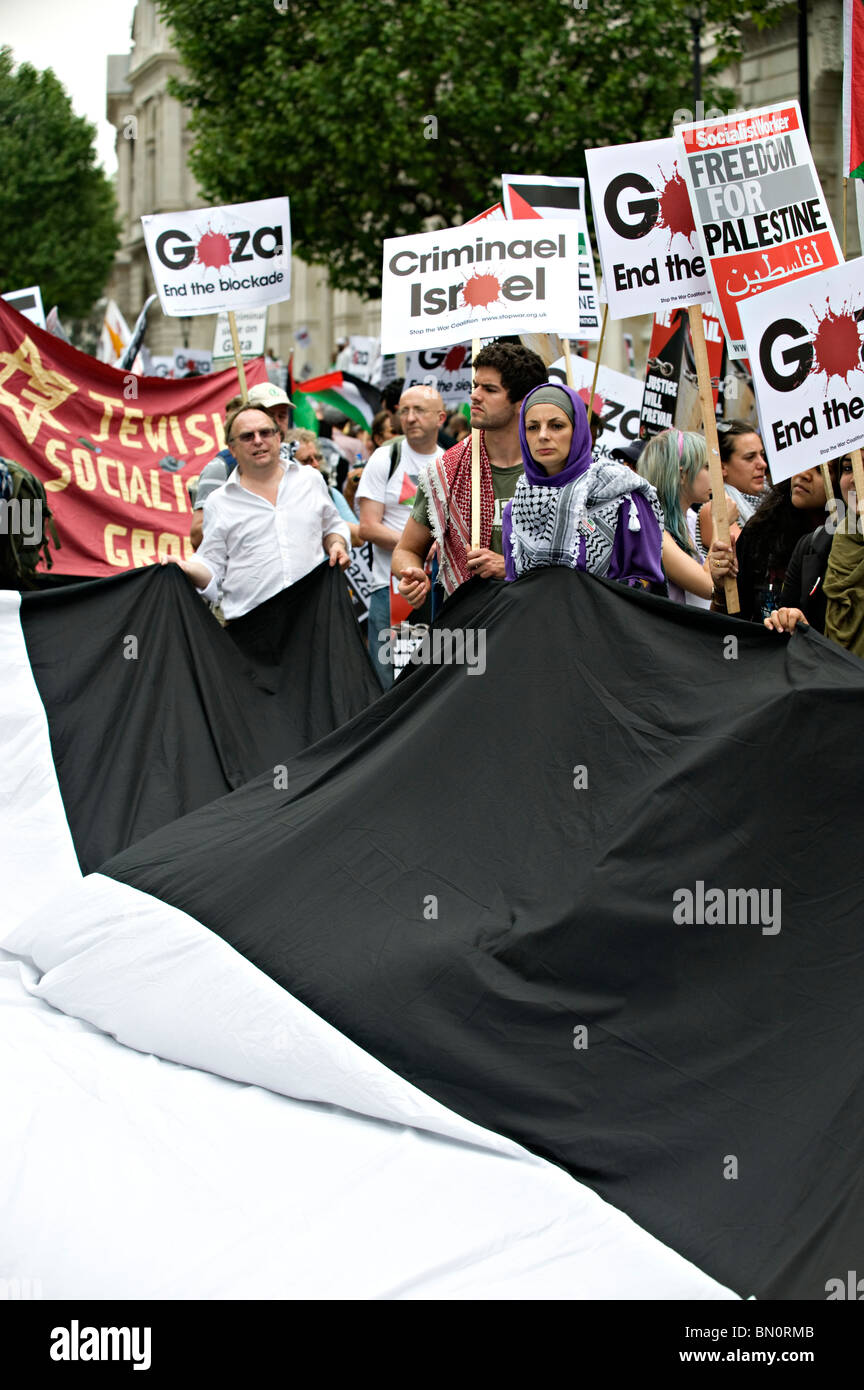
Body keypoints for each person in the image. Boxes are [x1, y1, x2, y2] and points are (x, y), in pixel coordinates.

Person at [392, 341, 547, 608]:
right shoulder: (445, 471)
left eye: (489, 389)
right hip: (470, 629)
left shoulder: (557, 470)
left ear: (523, 403)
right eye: (475, 386)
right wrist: (411, 574)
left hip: (540, 623)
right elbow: (406, 550)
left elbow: (581, 560)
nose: (475, 395)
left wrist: (511, 565)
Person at [166, 405, 350, 620]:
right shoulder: (219, 501)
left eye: (265, 433)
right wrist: (185, 569)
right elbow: (211, 565)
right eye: (247, 436)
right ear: (232, 449)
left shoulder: (310, 479)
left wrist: (337, 544)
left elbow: (332, 526)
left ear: (278, 438)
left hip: (315, 618)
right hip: (253, 630)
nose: (258, 441)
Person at [501, 383, 668, 593]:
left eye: (556, 426)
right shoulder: (516, 509)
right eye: (532, 427)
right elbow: (514, 583)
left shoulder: (622, 496)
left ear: (578, 430)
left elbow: (646, 581)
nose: (543, 435)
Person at [356, 386, 446, 687]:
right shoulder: (385, 458)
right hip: (391, 588)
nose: (409, 417)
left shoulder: (451, 462)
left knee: (433, 680)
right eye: (403, 410)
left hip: (439, 592)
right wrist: (414, 545)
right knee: (391, 684)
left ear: (441, 418)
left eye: (419, 410)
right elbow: (367, 527)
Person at [711, 462, 838, 621]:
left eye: (821, 470)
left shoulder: (849, 546)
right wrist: (722, 589)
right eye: (802, 461)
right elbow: (728, 627)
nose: (803, 474)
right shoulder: (760, 531)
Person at [765, 455, 862, 648]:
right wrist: (795, 624)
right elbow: (792, 644)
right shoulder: (813, 546)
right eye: (848, 468)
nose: (854, 478)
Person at [638, 429, 737, 606]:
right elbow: (708, 584)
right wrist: (719, 523)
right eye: (707, 467)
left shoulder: (689, 519)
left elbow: (710, 595)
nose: (717, 475)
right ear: (682, 475)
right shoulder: (652, 529)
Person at [189, 383, 293, 550]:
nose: (277, 423)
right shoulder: (222, 467)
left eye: (282, 416)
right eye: (270, 415)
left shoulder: (298, 468)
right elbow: (196, 535)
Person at [697, 419, 768, 552]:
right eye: (750, 457)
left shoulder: (770, 501)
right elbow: (751, 559)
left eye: (762, 455)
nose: (762, 464)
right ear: (722, 467)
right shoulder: (714, 509)